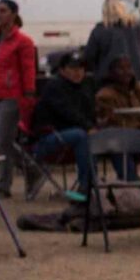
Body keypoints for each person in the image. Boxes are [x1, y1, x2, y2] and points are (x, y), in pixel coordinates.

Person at [0, 0, 38, 196]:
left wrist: (28, 94)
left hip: (11, 96)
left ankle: (17, 176)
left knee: (3, 139)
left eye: (3, 10)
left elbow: (28, 69)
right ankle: (15, 178)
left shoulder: (23, 42)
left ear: (13, 14)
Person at [30, 50, 101, 200]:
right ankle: (86, 187)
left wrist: (98, 127)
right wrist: (89, 127)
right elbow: (68, 112)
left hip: (78, 137)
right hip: (48, 139)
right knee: (81, 135)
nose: (78, 72)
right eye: (73, 68)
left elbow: (91, 112)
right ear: (62, 70)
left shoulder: (87, 85)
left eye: (81, 68)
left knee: (114, 136)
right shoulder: (54, 87)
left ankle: (130, 182)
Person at [79, 0, 140, 96]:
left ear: (104, 12)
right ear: (123, 9)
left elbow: (89, 57)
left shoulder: (99, 31)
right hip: (137, 78)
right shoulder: (136, 28)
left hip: (108, 81)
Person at [93, 57, 140, 129]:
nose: (126, 71)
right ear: (112, 73)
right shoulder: (105, 96)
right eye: (121, 68)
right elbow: (112, 123)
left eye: (129, 67)